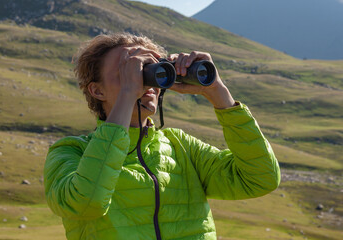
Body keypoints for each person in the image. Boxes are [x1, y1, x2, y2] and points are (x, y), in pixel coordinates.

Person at [44, 32, 281, 240]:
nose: (143, 82)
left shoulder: (181, 147)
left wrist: (218, 92)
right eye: (126, 72)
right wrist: (128, 93)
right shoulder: (70, 152)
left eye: (148, 71)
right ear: (97, 90)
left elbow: (260, 179)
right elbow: (86, 203)